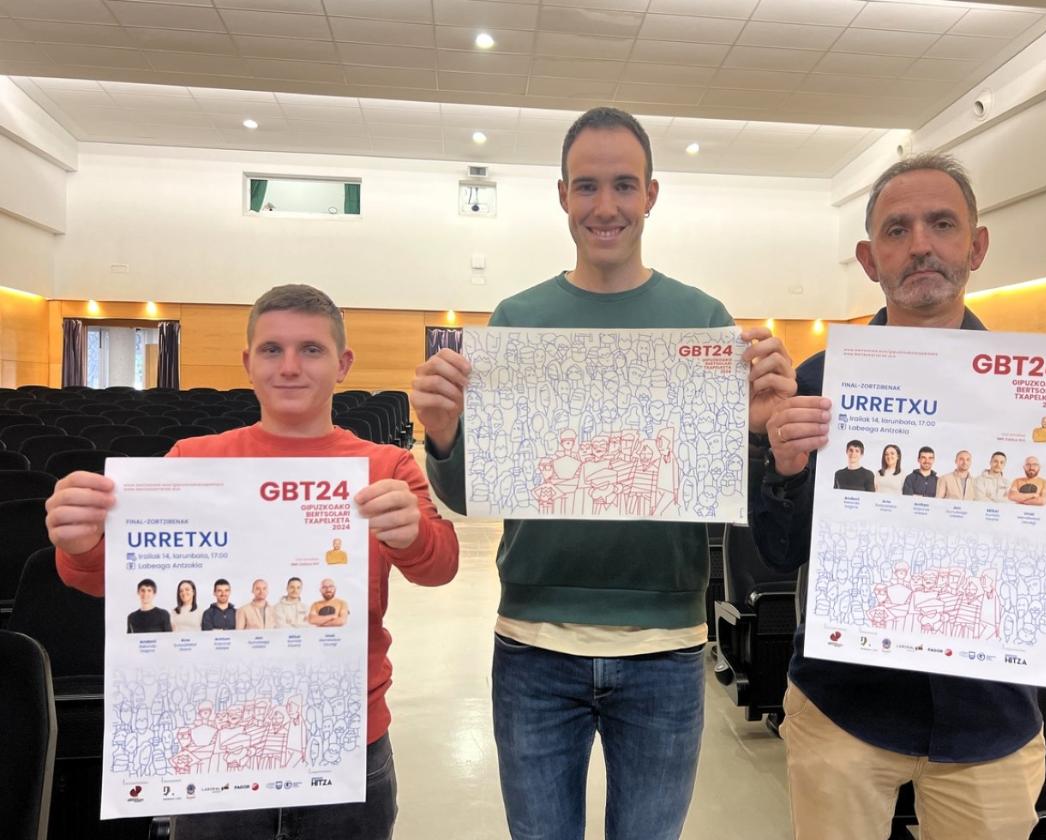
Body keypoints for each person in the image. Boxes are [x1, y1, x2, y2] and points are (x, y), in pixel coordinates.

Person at [412, 106, 795, 840]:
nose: (606, 206)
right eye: (587, 187)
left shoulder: (702, 319)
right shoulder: (519, 321)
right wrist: (445, 438)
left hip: (666, 651)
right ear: (562, 196)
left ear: (653, 193)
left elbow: (729, 497)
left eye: (624, 185)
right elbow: (471, 496)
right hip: (532, 646)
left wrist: (753, 433)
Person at [753, 153, 1046, 840]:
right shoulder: (817, 381)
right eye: (897, 230)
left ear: (976, 246)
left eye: (941, 224)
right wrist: (781, 468)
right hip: (843, 708)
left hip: (989, 719)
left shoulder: (1037, 394)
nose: (921, 244)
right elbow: (778, 553)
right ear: (870, 260)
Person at [45, 283, 460, 840]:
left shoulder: (383, 466)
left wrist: (411, 535)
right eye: (272, 349)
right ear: (248, 362)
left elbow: (440, 566)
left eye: (311, 349)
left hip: (345, 739)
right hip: (215, 735)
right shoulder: (191, 461)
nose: (290, 366)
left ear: (343, 364)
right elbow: (108, 582)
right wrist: (79, 543)